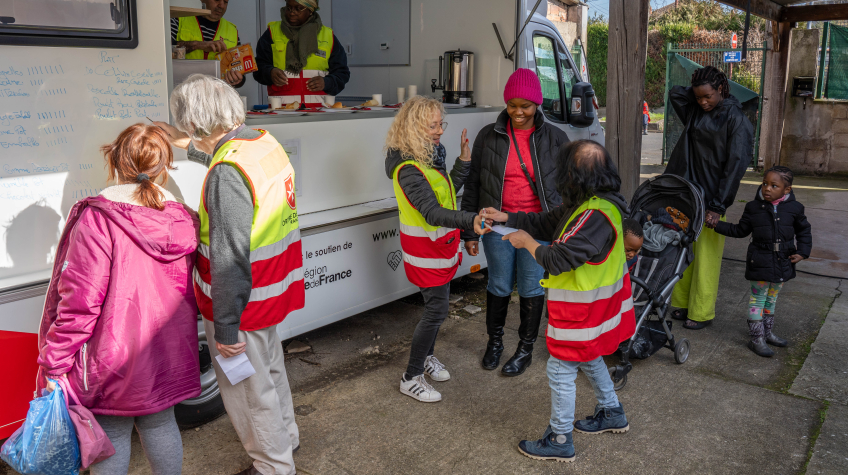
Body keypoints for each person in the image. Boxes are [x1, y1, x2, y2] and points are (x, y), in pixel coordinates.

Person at [156, 74, 304, 475]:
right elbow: (230, 165)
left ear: (197, 123)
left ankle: (272, 466)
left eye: (186, 124)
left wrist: (224, 327)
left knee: (248, 392)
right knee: (271, 370)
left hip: (243, 301)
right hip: (273, 285)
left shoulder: (226, 174)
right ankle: (286, 439)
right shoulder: (262, 143)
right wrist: (189, 146)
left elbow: (229, 258)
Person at [36, 124, 200, 475]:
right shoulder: (183, 217)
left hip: (111, 358)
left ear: (113, 161)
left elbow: (81, 302)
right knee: (160, 424)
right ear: (165, 166)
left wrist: (55, 360)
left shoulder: (99, 218)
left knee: (110, 432)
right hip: (167, 352)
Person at [481, 140, 634, 462]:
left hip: (583, 311)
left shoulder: (595, 215)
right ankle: (612, 412)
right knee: (588, 356)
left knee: (561, 367)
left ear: (573, 177)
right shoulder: (594, 204)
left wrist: (525, 244)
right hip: (595, 310)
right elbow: (547, 223)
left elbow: (559, 258)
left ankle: (560, 438)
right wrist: (507, 216)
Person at [460, 68, 569, 376]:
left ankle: (525, 349)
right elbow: (474, 186)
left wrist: (562, 227)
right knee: (498, 284)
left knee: (532, 286)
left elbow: (567, 189)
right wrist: (469, 230)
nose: (518, 112)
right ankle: (494, 343)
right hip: (497, 226)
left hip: (537, 227)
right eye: (512, 105)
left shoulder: (555, 139)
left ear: (538, 105)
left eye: (526, 106)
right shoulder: (488, 136)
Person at [385, 96, 487, 403]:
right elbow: (431, 212)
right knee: (436, 311)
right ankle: (411, 376)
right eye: (433, 125)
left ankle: (426, 359)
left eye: (440, 123)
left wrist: (463, 162)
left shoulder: (427, 159)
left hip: (439, 249)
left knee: (436, 309)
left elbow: (447, 195)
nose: (440, 130)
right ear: (414, 126)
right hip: (425, 253)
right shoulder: (407, 169)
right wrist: (472, 219)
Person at [666, 65, 754, 330]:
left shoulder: (736, 119)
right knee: (684, 249)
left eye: (709, 96)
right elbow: (675, 94)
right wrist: (698, 89)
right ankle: (681, 305)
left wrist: (718, 205)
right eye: (699, 96)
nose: (704, 102)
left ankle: (701, 312)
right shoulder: (694, 109)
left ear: (722, 90)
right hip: (686, 192)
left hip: (713, 197)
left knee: (706, 258)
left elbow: (736, 165)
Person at [713, 166, 812, 357]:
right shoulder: (753, 207)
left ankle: (767, 333)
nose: (767, 188)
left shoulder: (795, 208)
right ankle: (756, 339)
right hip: (759, 260)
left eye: (774, 185)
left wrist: (803, 252)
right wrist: (717, 225)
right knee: (757, 299)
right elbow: (740, 230)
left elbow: (804, 231)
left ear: (787, 189)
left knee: (772, 299)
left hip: (783, 261)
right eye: (765, 183)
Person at [255, 0, 350, 108]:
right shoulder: (272, 33)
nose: (292, 12)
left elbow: (342, 73)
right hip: (282, 112)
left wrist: (326, 82)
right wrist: (270, 72)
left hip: (320, 113)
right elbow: (258, 67)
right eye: (289, 7)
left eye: (299, 8)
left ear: (310, 10)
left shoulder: (328, 36)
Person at [171, 0, 245, 88]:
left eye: (225, 2)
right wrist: (197, 45)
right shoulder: (178, 19)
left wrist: (237, 79)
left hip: (216, 96)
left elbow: (241, 75)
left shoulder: (233, 30)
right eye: (217, 0)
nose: (221, 5)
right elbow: (164, 53)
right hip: (183, 92)